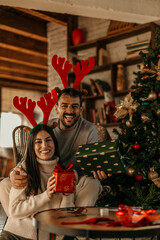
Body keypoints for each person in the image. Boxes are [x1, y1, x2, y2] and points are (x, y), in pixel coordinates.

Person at [0, 124, 75, 240]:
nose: (44, 146)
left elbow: (64, 217)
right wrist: (46, 196)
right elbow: (15, 210)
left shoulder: (65, 172)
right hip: (15, 234)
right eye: (38, 142)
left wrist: (67, 196)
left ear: (54, 143)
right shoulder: (23, 170)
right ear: (32, 146)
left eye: (48, 140)